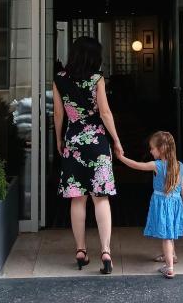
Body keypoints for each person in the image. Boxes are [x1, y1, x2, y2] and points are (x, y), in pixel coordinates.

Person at [52, 36, 124, 274]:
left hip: (73, 142)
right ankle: (105, 251)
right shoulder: (97, 79)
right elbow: (105, 112)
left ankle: (81, 250)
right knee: (100, 197)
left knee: (77, 198)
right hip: (97, 143)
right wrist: (116, 139)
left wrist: (59, 141)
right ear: (94, 56)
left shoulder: (60, 79)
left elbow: (58, 116)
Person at [117, 130, 183, 279]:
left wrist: (121, 157)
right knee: (170, 232)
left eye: (152, 148)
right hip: (176, 203)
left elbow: (136, 165)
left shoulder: (157, 165)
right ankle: (172, 255)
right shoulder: (179, 165)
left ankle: (169, 268)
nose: (150, 151)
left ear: (161, 149)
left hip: (163, 204)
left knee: (167, 237)